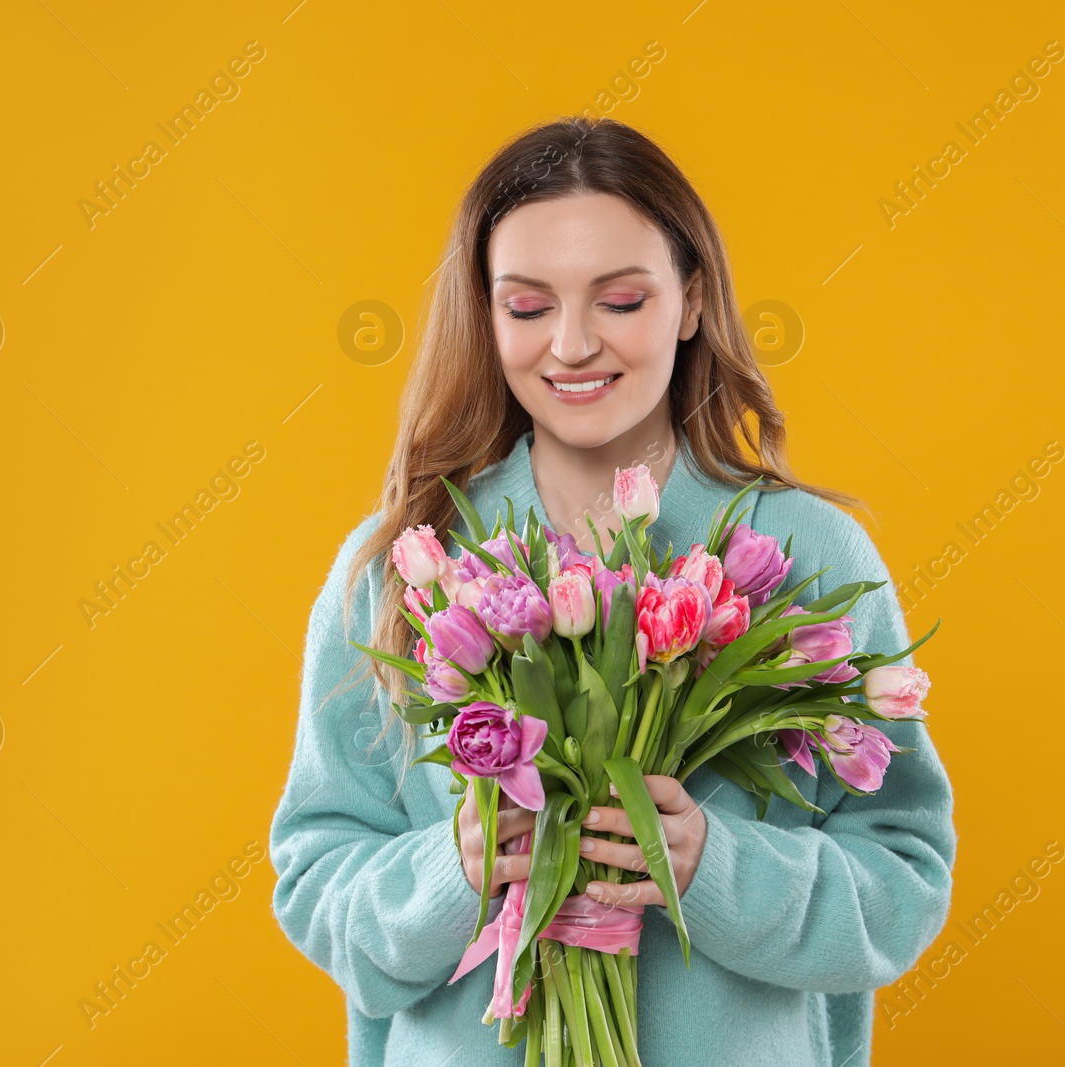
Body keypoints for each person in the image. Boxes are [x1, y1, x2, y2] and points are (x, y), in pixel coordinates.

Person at [269, 116, 955, 1067]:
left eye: (622, 299)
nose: (575, 344)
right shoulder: (404, 564)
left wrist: (718, 866)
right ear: (486, 312)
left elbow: (904, 881)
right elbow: (316, 881)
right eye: (528, 306)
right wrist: (449, 871)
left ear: (691, 301)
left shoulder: (809, 555)